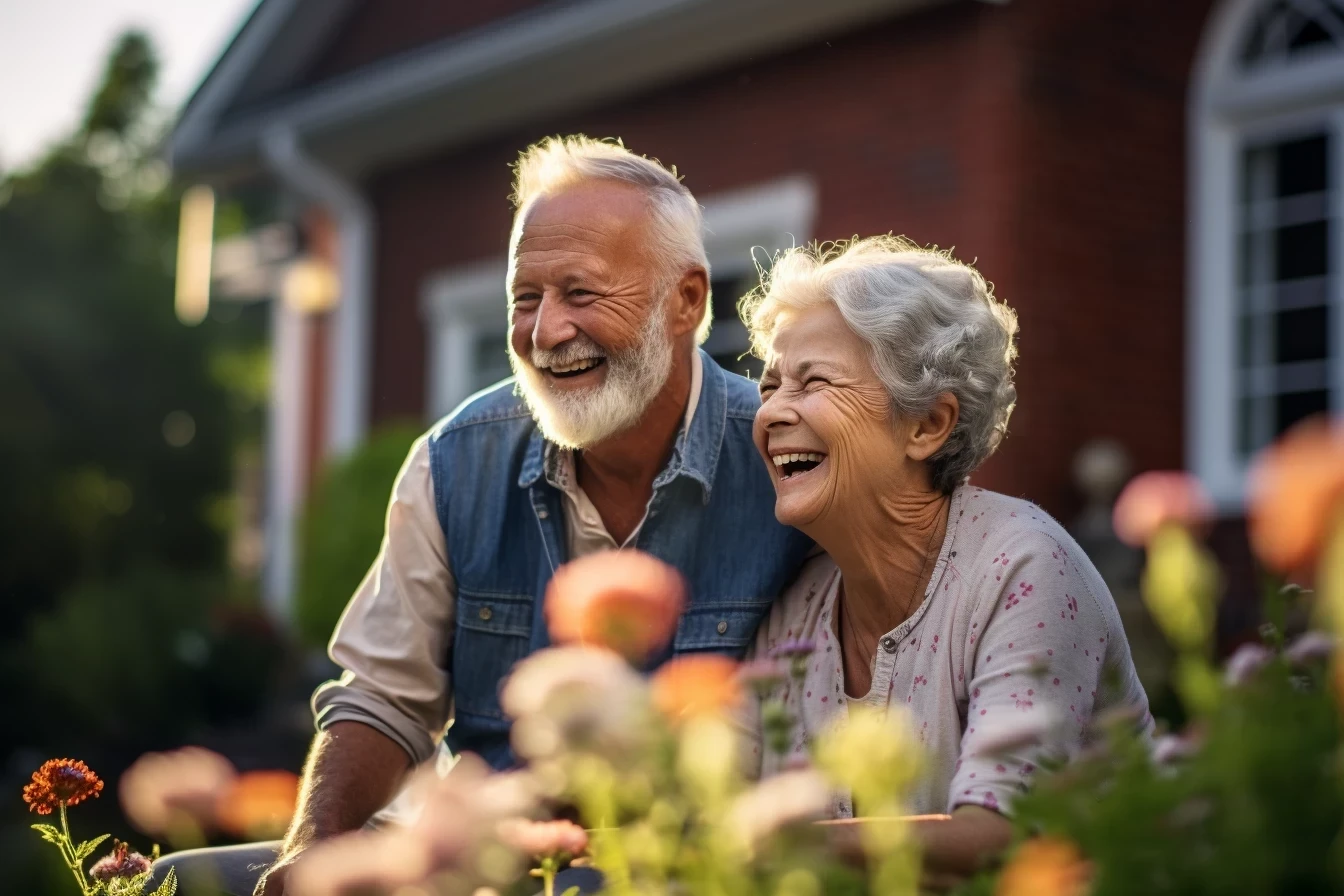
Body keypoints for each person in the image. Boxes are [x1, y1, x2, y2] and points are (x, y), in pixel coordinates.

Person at [152, 136, 810, 896]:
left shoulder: (782, 455)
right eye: (524, 299)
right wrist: (313, 849)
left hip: (684, 862)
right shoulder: (456, 458)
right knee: (178, 881)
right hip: (475, 857)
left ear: (687, 301)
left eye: (582, 293)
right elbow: (383, 696)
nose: (545, 332)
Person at [741, 236, 1152, 879]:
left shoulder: (1023, 568)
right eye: (770, 387)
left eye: (812, 381)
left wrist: (776, 845)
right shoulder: (796, 615)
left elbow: (997, 835)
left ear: (927, 425)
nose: (772, 413)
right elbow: (710, 811)